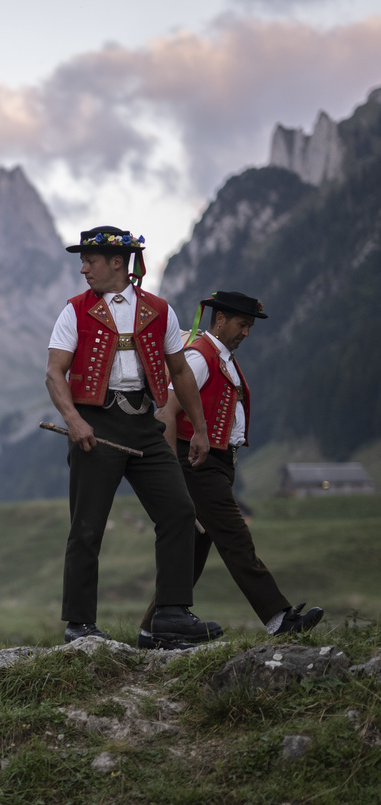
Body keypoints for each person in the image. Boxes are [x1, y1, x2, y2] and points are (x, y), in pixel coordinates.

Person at [46, 226, 223, 646]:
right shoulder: (74, 310)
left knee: (179, 511)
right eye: (83, 260)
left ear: (117, 263)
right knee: (87, 526)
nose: (83, 267)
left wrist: (198, 429)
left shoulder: (160, 310)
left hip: (146, 426)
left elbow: (179, 372)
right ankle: (79, 625)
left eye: (90, 260)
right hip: (95, 425)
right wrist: (74, 420)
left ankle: (171, 615)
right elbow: (55, 373)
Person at [138, 291, 323, 643]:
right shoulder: (199, 357)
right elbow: (165, 413)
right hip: (197, 466)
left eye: (250, 326)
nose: (246, 333)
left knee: (191, 553)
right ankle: (278, 618)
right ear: (219, 320)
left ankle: (151, 630)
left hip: (216, 465)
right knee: (237, 539)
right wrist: (173, 476)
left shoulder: (221, 357)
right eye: (242, 324)